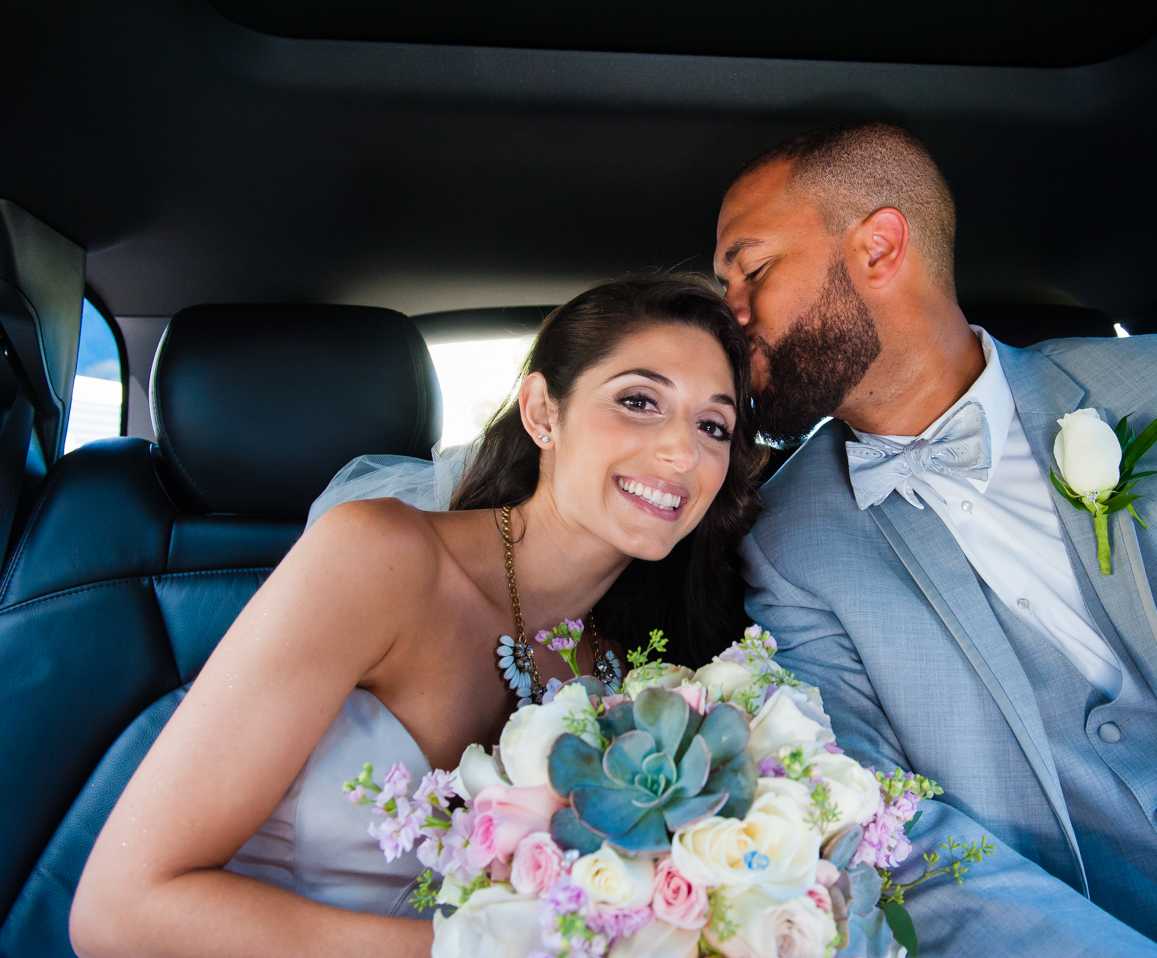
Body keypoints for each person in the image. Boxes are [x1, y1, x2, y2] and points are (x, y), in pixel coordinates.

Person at [720, 122, 1157, 957]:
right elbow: (881, 824)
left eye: (753, 269)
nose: (729, 314)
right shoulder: (786, 543)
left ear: (879, 249)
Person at [70, 278, 762, 958]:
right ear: (542, 413)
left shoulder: (644, 675)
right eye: (639, 401)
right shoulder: (377, 558)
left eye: (713, 426)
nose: (683, 453)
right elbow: (121, 912)